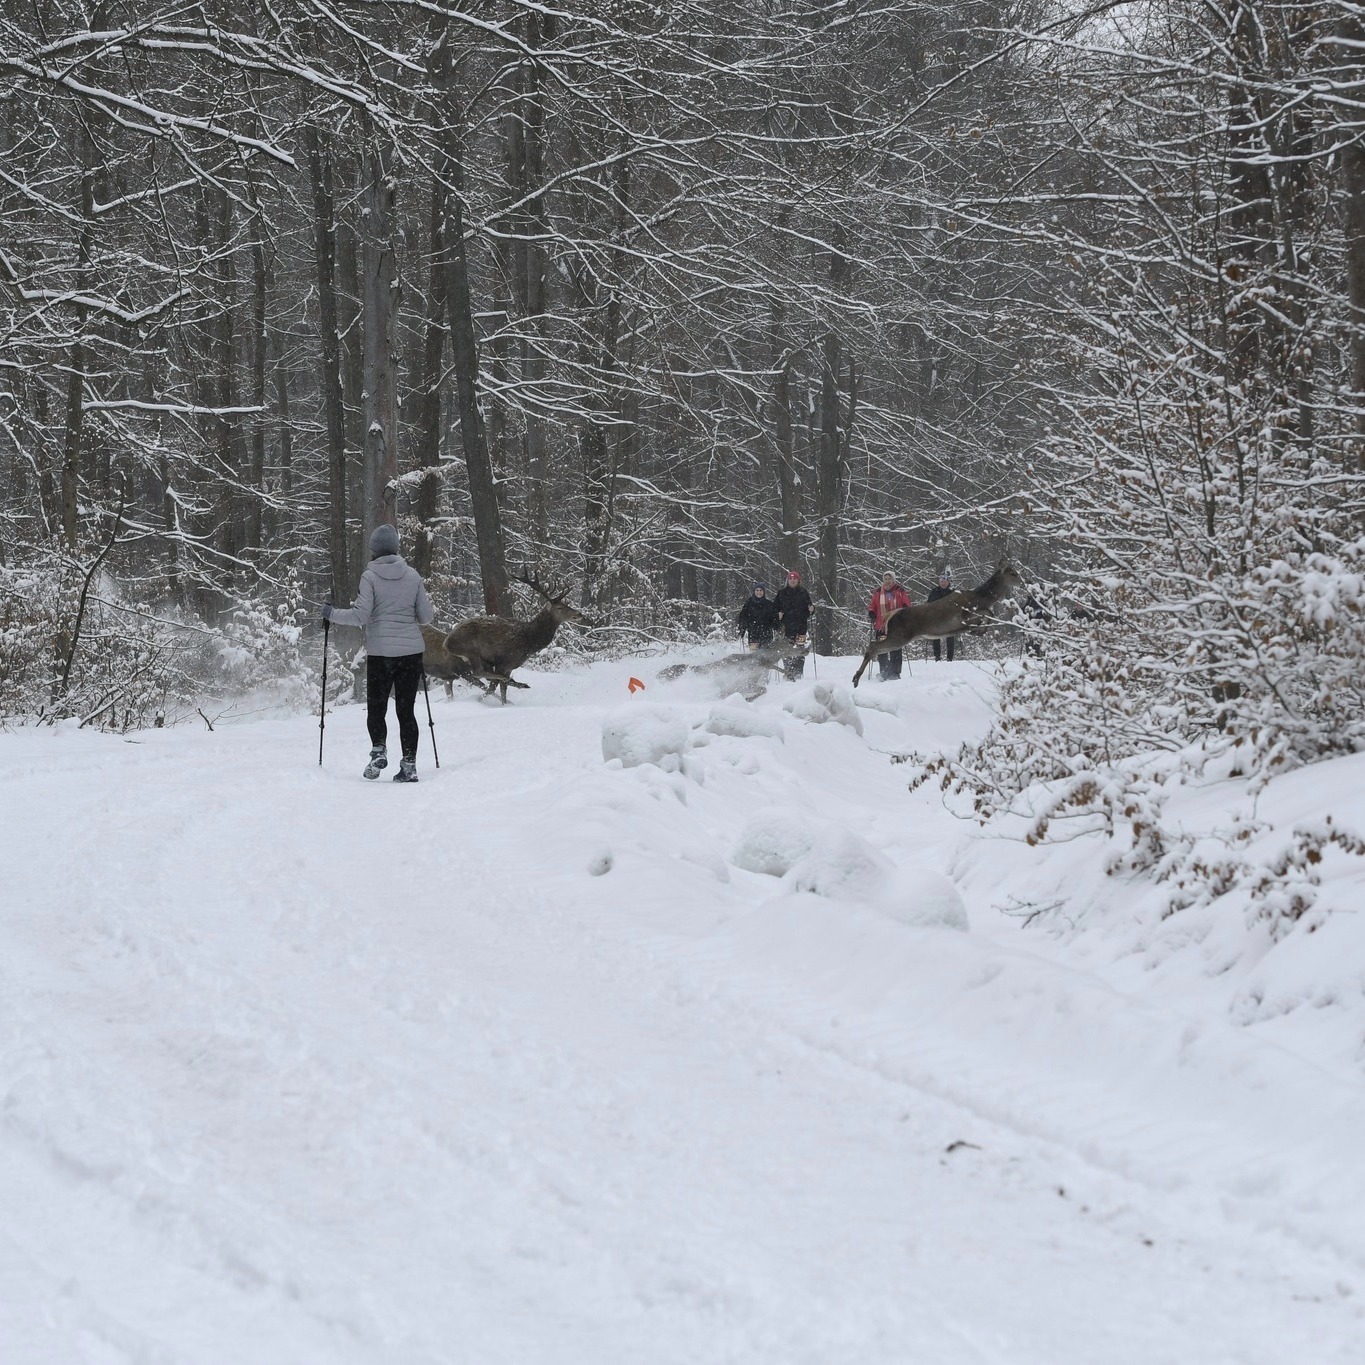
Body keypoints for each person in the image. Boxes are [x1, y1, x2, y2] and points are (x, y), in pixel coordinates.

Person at [322, 524, 435, 783]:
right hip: (410, 654)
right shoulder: (413, 576)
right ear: (396, 547)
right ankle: (409, 765)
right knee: (406, 711)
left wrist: (331, 614)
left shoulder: (370, 577)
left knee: (377, 707)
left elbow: (360, 616)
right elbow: (426, 617)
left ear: (373, 550)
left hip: (381, 654)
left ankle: (378, 750)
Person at [867, 570, 912, 680]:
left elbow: (907, 603)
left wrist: (905, 610)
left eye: (889, 579)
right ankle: (884, 671)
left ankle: (895, 673)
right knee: (882, 649)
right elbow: (872, 605)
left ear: (893, 580)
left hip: (896, 625)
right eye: (885, 579)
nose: (887, 581)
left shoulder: (900, 591)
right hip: (881, 625)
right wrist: (871, 612)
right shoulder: (878, 592)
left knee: (895, 648)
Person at [774, 569, 812, 679]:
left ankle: (798, 673)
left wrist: (812, 609)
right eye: (790, 579)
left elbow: (810, 608)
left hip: (801, 627)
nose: (792, 580)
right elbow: (774, 608)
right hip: (786, 627)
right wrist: (777, 614)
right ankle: (788, 673)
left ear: (798, 581)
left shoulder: (804, 593)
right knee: (786, 650)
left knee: (800, 650)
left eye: (795, 578)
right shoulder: (781, 593)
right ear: (787, 580)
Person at [737, 581, 779, 650]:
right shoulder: (749, 603)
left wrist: (775, 625)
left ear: (764, 592)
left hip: (766, 635)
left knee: (766, 655)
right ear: (754, 591)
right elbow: (743, 616)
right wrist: (742, 628)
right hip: (753, 634)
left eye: (761, 590)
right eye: (757, 590)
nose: (759, 592)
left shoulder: (769, 604)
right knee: (754, 655)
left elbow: (774, 618)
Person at [926, 569, 957, 661]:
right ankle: (937, 657)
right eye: (941, 581)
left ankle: (950, 658)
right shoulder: (934, 591)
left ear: (948, 582)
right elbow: (929, 605)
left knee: (950, 637)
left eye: (945, 581)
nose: (943, 583)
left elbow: (957, 606)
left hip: (949, 618)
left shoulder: (953, 592)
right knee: (936, 637)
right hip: (937, 618)